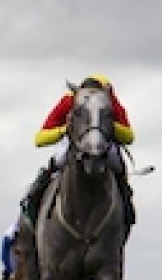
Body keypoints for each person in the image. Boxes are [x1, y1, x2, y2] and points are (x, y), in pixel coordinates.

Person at [20, 75, 137, 229]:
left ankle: (126, 209)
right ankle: (33, 202)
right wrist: (65, 129)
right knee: (58, 160)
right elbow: (40, 139)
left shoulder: (110, 101)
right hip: (74, 142)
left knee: (118, 165)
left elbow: (129, 137)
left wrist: (106, 125)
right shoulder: (69, 100)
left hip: (104, 143)